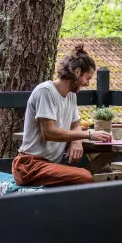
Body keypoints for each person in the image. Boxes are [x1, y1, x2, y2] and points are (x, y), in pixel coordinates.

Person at [13, 45, 112, 186]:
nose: (87, 83)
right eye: (87, 78)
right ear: (77, 72)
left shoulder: (71, 95)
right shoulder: (46, 91)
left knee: (84, 176)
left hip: (49, 165)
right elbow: (49, 132)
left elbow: (76, 125)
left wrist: (77, 141)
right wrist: (89, 134)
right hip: (29, 166)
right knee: (85, 177)